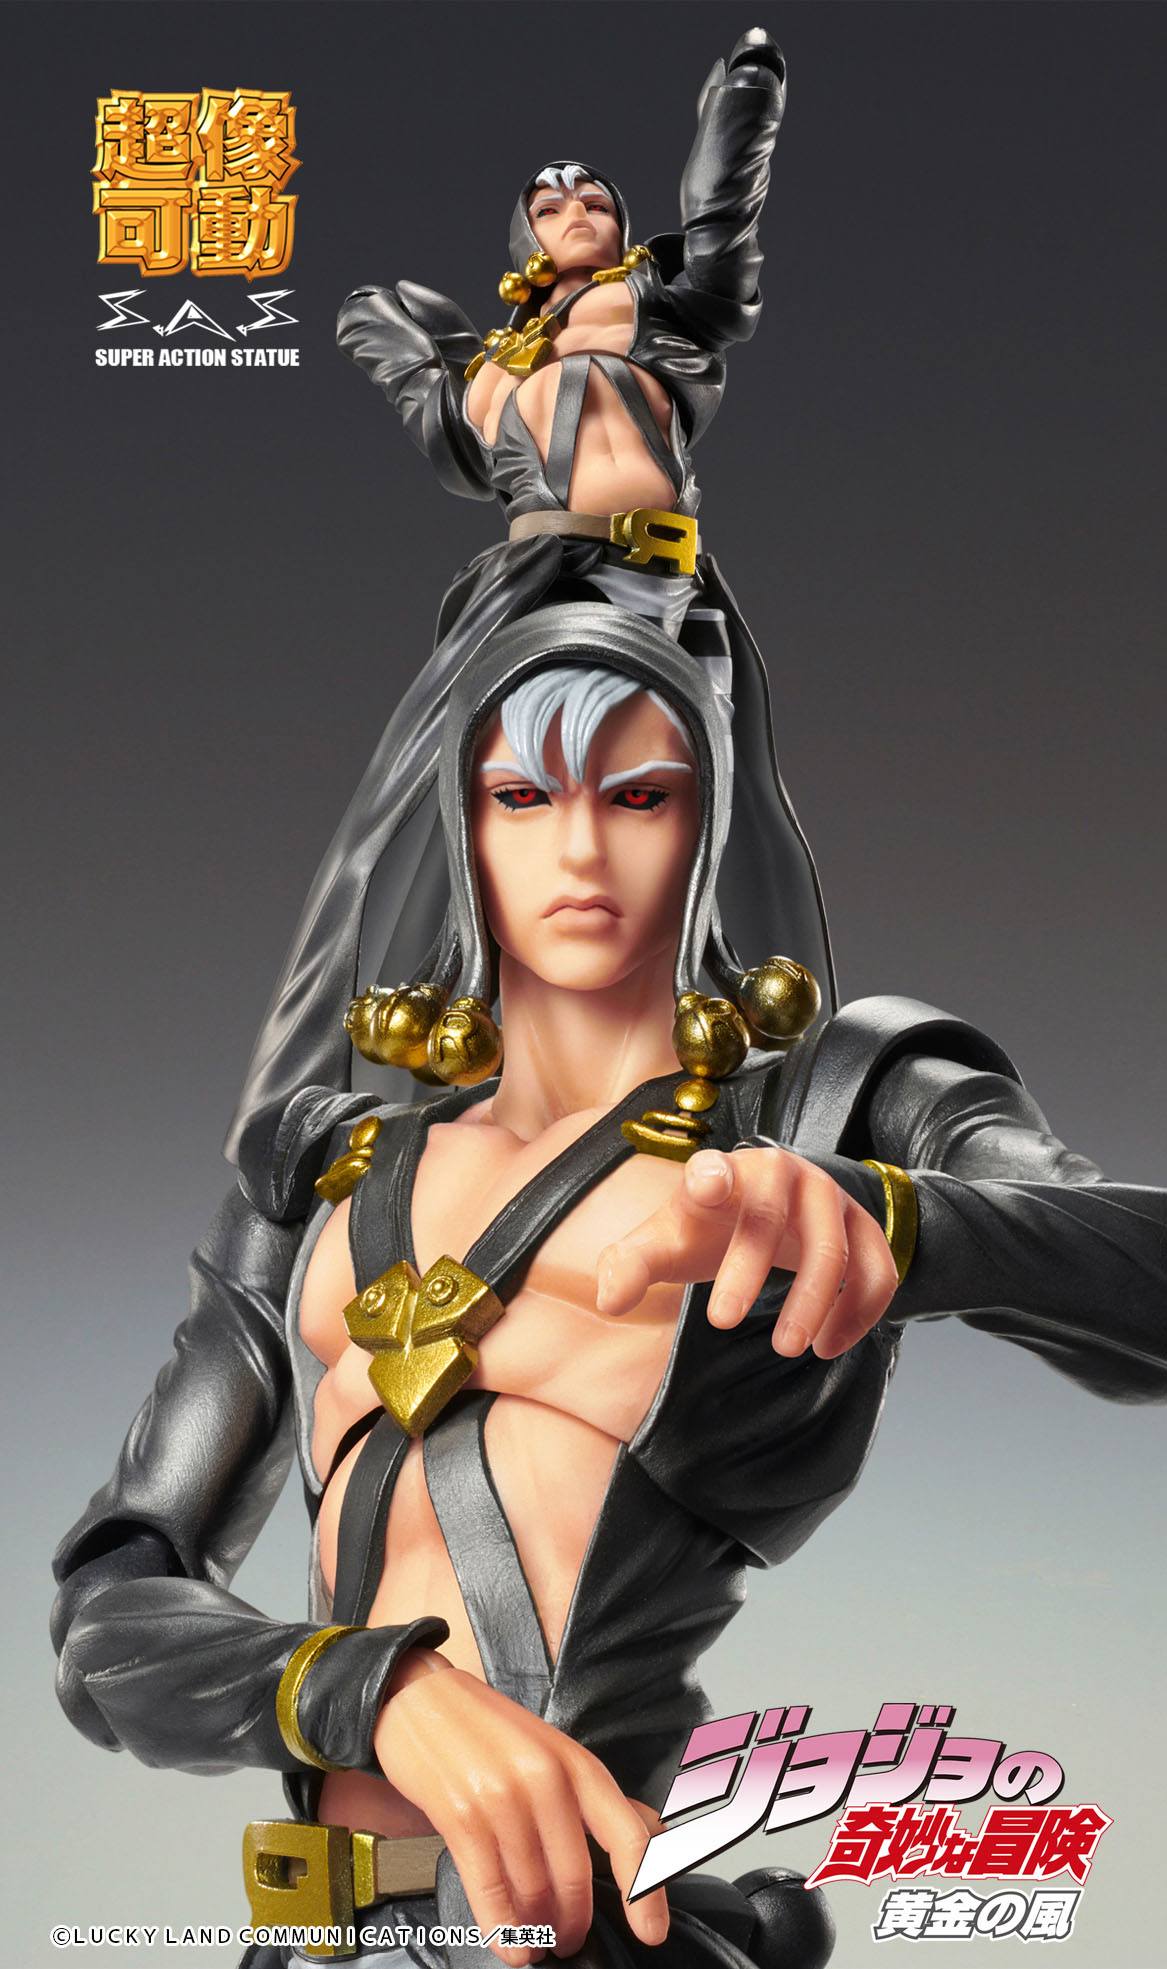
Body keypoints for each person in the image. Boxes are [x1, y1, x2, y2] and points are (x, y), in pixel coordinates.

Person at [52, 608, 1167, 1969]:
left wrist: (903, 1219)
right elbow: (110, 1616)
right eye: (522, 797)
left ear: (709, 826)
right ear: (462, 828)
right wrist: (368, 1688)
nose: (579, 851)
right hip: (312, 1939)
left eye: (639, 796)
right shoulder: (320, 1172)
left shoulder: (831, 1111)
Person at [223, 27, 829, 1197]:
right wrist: (431, 351)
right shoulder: (491, 374)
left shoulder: (663, 309)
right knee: (414, 821)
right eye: (549, 204)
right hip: (525, 587)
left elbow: (722, 220)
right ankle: (331, 1116)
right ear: (523, 244)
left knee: (708, 820)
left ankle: (747, 1098)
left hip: (664, 591)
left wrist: (744, 99)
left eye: (594, 198)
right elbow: (380, 324)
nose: (575, 207)